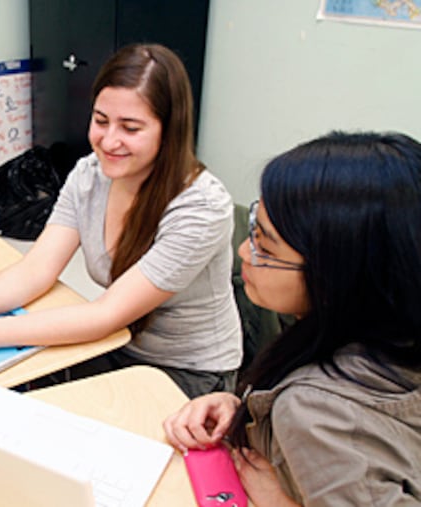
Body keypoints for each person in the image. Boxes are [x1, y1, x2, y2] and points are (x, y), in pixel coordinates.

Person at [0, 43, 242, 399]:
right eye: (100, 121)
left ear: (169, 131)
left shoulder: (201, 207)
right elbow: (36, 270)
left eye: (130, 128)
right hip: (115, 346)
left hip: (187, 371)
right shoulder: (90, 174)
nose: (109, 141)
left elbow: (106, 314)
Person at [163, 131, 421, 506]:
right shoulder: (383, 332)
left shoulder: (315, 410)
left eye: (265, 246)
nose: (244, 251)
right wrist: (247, 414)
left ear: (337, 275)